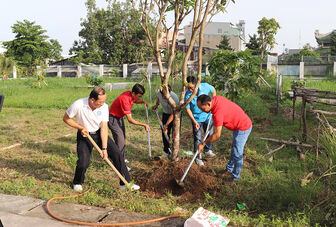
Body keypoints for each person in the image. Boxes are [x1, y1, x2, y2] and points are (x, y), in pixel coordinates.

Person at [63, 87, 139, 192]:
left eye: (104, 101)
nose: (103, 104)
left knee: (117, 155)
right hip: (84, 134)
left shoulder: (104, 107)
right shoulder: (78, 104)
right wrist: (80, 128)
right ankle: (77, 182)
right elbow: (66, 118)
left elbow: (104, 127)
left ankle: (125, 184)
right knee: (83, 161)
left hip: (98, 133)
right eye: (100, 102)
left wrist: (104, 148)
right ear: (92, 100)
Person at [196, 94, 252, 184]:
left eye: (202, 109)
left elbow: (217, 134)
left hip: (243, 127)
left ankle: (235, 178)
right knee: (234, 148)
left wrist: (204, 143)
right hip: (238, 124)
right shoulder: (216, 99)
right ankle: (229, 169)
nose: (202, 111)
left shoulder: (218, 113)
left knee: (237, 152)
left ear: (208, 104)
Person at [108, 83, 150, 166]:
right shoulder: (125, 100)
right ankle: (119, 164)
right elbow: (130, 120)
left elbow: (135, 100)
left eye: (141, 96)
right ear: (133, 93)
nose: (140, 98)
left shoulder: (130, 93)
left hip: (119, 118)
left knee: (122, 139)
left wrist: (142, 102)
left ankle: (121, 158)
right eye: (139, 96)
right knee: (120, 141)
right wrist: (144, 125)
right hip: (113, 119)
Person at [185, 76, 216, 166]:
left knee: (210, 134)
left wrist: (213, 100)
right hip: (196, 119)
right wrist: (194, 122)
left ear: (197, 85)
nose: (190, 90)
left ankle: (207, 149)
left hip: (207, 116)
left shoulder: (205, 86)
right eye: (188, 88)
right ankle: (198, 156)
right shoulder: (187, 95)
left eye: (192, 88)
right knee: (197, 138)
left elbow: (213, 89)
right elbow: (188, 109)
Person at [152, 85, 179, 157]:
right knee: (164, 133)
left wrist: (166, 125)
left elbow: (173, 113)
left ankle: (174, 151)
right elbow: (158, 97)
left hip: (175, 116)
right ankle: (166, 151)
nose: (163, 97)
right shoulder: (159, 92)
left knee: (174, 133)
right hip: (165, 114)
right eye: (162, 95)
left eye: (165, 96)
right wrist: (157, 104)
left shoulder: (175, 98)